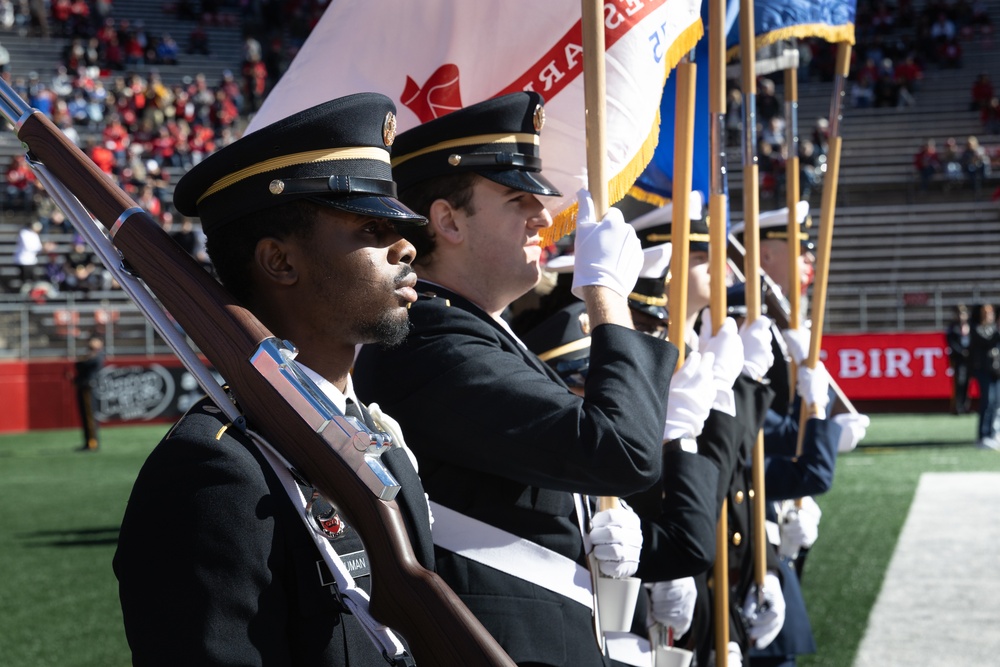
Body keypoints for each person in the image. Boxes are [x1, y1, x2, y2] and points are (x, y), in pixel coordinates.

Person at [353, 92, 679, 667]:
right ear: (447, 219)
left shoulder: (468, 330)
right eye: (516, 198)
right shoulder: (431, 341)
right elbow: (623, 451)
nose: (543, 215)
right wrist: (606, 295)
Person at [114, 93, 437, 666]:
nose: (406, 245)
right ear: (280, 262)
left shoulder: (378, 438)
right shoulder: (214, 475)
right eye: (371, 227)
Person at [970, 303, 1000, 448]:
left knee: (996, 404)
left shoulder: (994, 329)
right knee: (987, 402)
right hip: (984, 371)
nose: (990, 316)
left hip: (996, 371)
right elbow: (988, 342)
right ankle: (983, 435)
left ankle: (994, 433)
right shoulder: (977, 329)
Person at [73, 336, 104, 451]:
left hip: (89, 388)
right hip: (84, 387)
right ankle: (88, 441)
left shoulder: (97, 355)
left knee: (89, 416)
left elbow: (83, 364)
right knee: (85, 417)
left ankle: (92, 442)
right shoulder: (90, 354)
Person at [946, 303, 973, 415]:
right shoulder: (953, 327)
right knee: (959, 382)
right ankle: (957, 407)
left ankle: (965, 406)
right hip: (958, 359)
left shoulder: (970, 326)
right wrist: (962, 352)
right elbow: (951, 342)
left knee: (967, 382)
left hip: (969, 359)